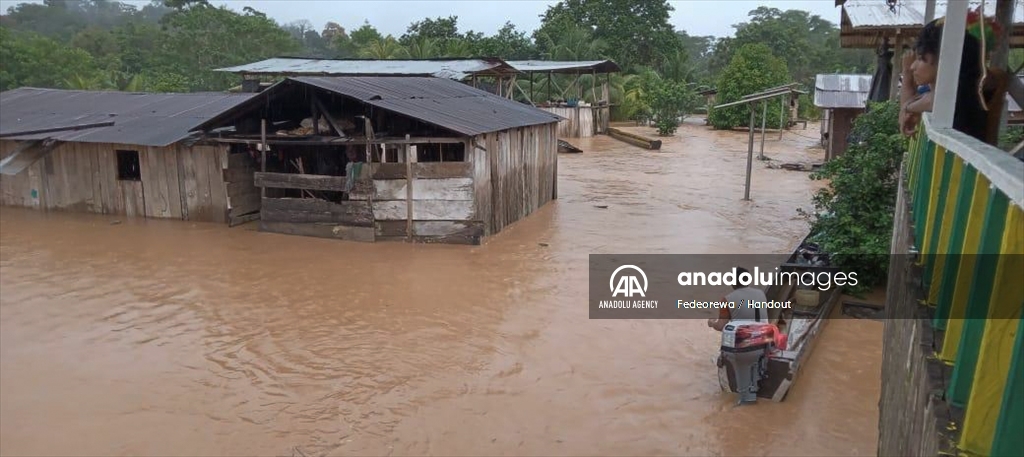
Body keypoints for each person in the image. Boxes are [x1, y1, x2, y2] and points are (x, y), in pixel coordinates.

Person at [900, 10, 1002, 144]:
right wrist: (907, 107)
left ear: (944, 59)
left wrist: (906, 105)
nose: (913, 66)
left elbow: (936, 99)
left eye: (921, 58)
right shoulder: (970, 86)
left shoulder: (967, 90)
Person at [707, 267, 771, 405]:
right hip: (765, 342)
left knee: (738, 356)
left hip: (744, 348)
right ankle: (754, 385)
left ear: (732, 282)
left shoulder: (727, 300)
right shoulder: (760, 294)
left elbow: (721, 326)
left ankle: (746, 400)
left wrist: (711, 323)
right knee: (753, 358)